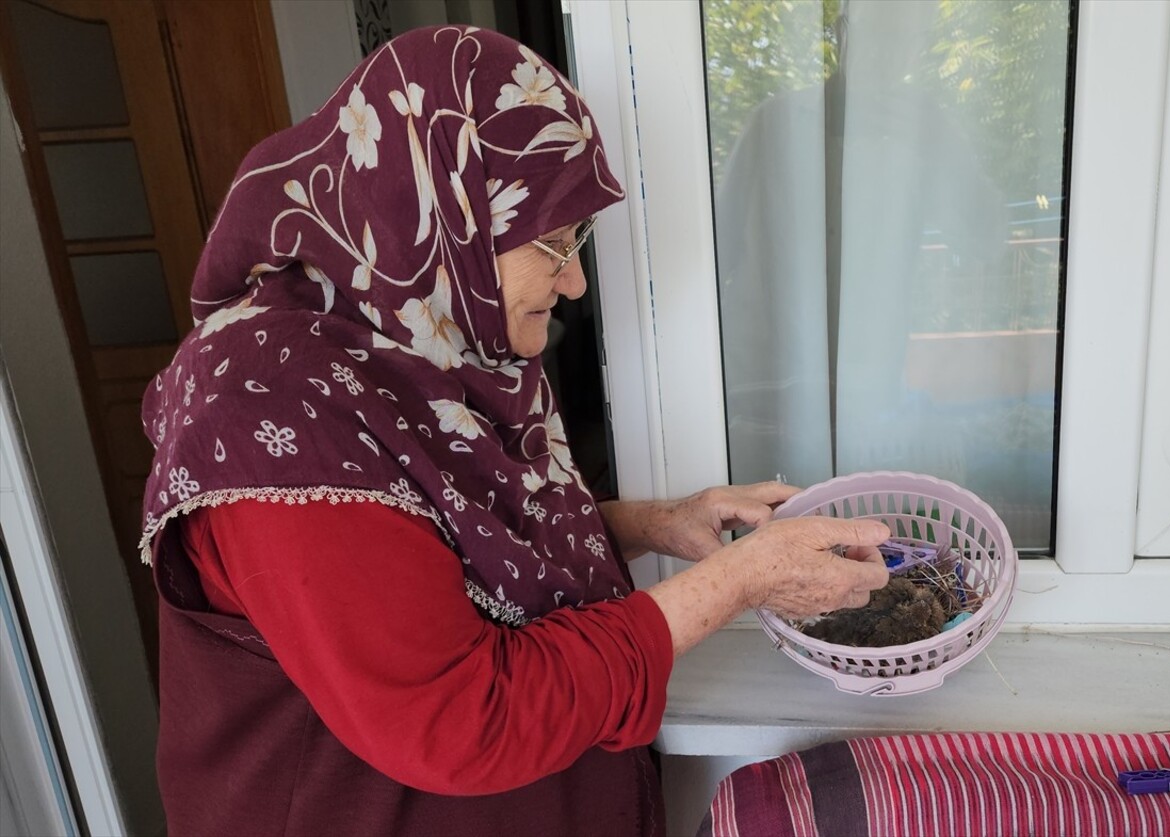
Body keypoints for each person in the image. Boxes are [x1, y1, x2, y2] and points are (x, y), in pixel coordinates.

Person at [140, 26, 889, 837]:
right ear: (441, 217)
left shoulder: (426, 340)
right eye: (550, 245)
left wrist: (652, 524)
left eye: (579, 243)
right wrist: (738, 581)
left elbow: (443, 551)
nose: (572, 282)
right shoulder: (273, 409)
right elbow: (460, 720)